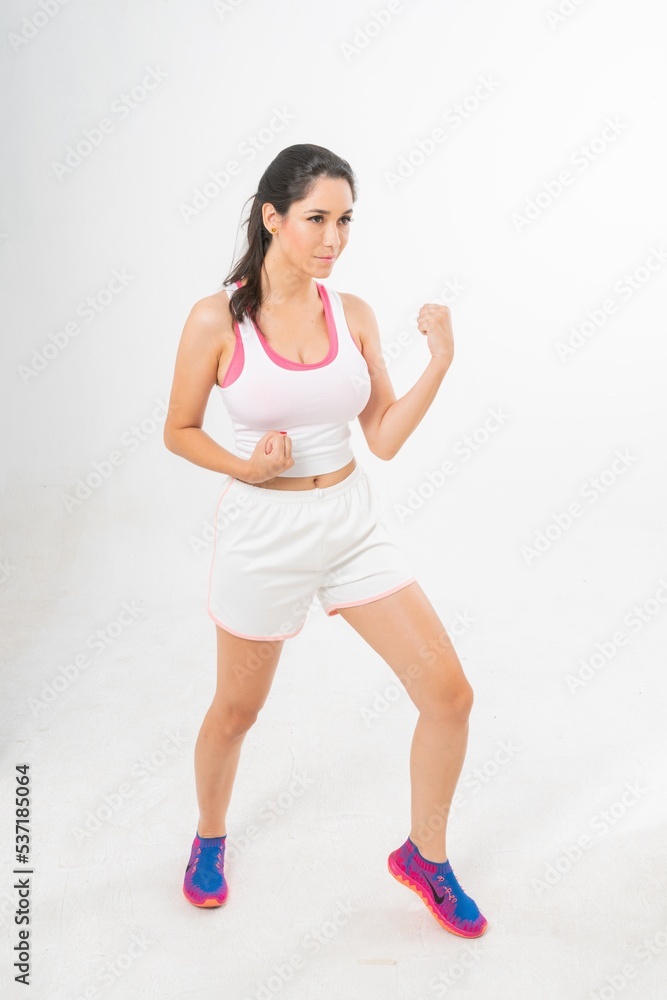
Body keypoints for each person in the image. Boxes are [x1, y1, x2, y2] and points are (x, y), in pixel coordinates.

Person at [163, 143, 487, 938]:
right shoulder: (218, 317)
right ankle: (208, 837)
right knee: (237, 711)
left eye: (345, 221)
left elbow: (379, 434)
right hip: (263, 533)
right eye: (316, 219)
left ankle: (425, 856)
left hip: (349, 521)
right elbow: (177, 430)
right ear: (272, 217)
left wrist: (438, 363)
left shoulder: (354, 314)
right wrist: (246, 464)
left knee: (449, 697)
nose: (333, 239)